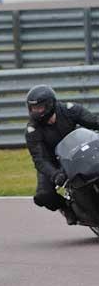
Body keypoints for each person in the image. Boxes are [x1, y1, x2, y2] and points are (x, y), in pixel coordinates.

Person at [25, 84, 99, 224]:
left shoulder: (69, 110)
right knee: (43, 195)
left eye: (39, 107)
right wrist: (55, 174)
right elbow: (39, 159)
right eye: (33, 108)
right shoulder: (32, 131)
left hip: (80, 151)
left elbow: (94, 122)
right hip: (53, 162)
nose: (35, 111)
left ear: (50, 104)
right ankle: (67, 208)